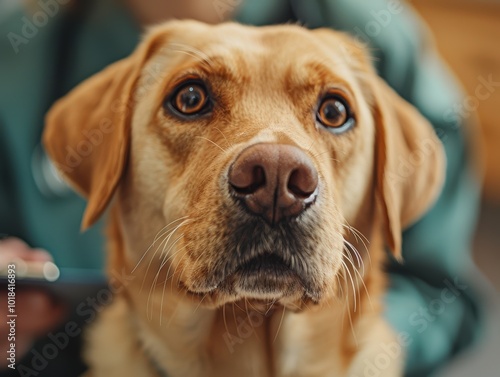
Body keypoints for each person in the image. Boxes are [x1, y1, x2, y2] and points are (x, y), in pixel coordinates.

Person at [0, 0, 484, 376]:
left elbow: (445, 294)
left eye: (333, 113)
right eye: (191, 101)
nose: (277, 170)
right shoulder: (18, 54)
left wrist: (362, 358)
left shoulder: (375, 29)